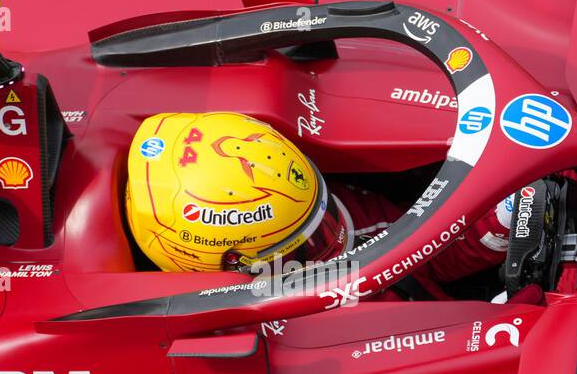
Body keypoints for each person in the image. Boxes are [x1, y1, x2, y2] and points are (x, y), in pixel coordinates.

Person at [124, 112, 512, 300]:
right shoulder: (290, 342)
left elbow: (425, 256)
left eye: (320, 219)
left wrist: (502, 219)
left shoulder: (307, 213)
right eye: (302, 249)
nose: (336, 241)